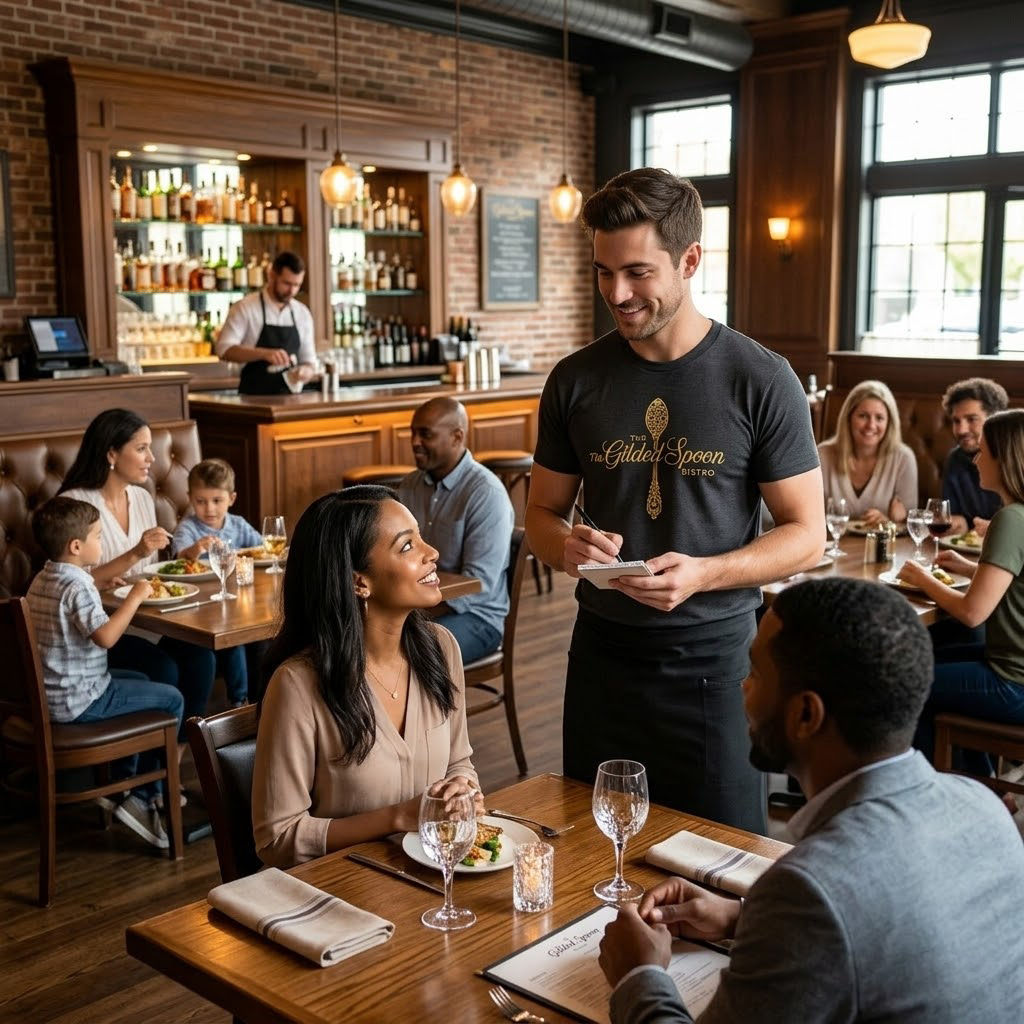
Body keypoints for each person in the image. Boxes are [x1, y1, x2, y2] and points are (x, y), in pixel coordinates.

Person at [524, 167, 823, 832]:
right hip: (600, 659)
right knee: (593, 859)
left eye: (637, 272)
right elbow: (540, 516)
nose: (617, 293)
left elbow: (807, 533)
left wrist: (706, 573)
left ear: (690, 260)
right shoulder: (574, 381)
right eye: (604, 273)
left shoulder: (761, 379)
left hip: (716, 666)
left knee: (721, 860)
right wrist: (567, 547)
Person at [598, 577, 1024, 1024]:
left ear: (805, 714)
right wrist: (743, 918)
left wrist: (638, 974)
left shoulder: (807, 890)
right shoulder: (985, 807)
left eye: (756, 673)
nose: (742, 686)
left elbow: (833, 907)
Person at [251, 486, 483, 869]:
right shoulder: (297, 684)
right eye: (407, 547)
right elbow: (277, 838)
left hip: (431, 880)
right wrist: (398, 817)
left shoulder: (442, 649)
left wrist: (464, 790)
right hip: (340, 895)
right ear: (360, 582)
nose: (433, 553)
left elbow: (460, 762)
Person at [26, 496, 184, 850]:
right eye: (98, 536)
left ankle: (124, 784)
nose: (102, 542)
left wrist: (100, 588)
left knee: (144, 683)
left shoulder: (44, 578)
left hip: (52, 696)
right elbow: (107, 638)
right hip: (81, 700)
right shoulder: (77, 585)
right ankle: (143, 797)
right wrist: (137, 596)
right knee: (172, 698)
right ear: (77, 545)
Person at [58, 409, 216, 739]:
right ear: (112, 453)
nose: (152, 458)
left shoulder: (143, 498)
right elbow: (73, 580)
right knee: (163, 668)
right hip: (102, 629)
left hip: (152, 619)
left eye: (150, 448)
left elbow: (151, 573)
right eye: (141, 448)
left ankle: (181, 757)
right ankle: (151, 779)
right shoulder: (75, 504)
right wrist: (135, 554)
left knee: (202, 656)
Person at [898, 408, 1024, 767]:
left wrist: (921, 578)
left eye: (984, 451)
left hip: (1013, 682)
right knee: (923, 662)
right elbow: (1013, 581)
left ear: (1005, 459)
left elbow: (972, 613)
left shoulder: (1011, 519)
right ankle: (984, 788)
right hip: (1012, 669)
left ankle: (937, 792)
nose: (977, 459)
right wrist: (967, 565)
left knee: (908, 685)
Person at [396, 397, 514, 663]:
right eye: (413, 433)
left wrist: (408, 614)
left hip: (476, 619)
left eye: (424, 434)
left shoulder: (486, 493)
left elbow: (477, 585)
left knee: (400, 651)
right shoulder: (410, 485)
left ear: (456, 437)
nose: (414, 442)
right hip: (420, 606)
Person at [172, 457, 265, 706]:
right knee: (232, 641)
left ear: (231, 499)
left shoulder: (238, 525)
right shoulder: (188, 528)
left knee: (260, 639)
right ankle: (239, 701)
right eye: (201, 502)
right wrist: (195, 549)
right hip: (203, 608)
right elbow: (179, 558)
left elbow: (262, 549)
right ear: (190, 498)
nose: (209, 509)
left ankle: (261, 701)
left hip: (239, 603)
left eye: (217, 501)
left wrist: (245, 553)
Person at [215, 251, 318, 395]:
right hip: (252, 400)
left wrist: (305, 372)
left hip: (292, 401)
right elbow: (223, 350)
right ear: (272, 275)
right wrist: (263, 354)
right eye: (287, 283)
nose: (292, 291)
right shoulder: (245, 307)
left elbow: (310, 362)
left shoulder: (302, 313)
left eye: (297, 285)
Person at [817, 379, 917, 525]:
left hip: (883, 546)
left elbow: (910, 526)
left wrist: (889, 522)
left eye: (879, 418)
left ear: (889, 423)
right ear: (849, 418)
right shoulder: (822, 455)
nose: (871, 425)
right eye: (863, 416)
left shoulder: (903, 459)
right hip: (831, 546)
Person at [941, 376, 1008, 538]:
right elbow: (957, 517)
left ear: (995, 418)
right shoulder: (955, 460)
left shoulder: (1016, 457)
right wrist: (958, 523)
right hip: (969, 552)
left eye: (972, 419)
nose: (962, 430)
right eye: (956, 421)